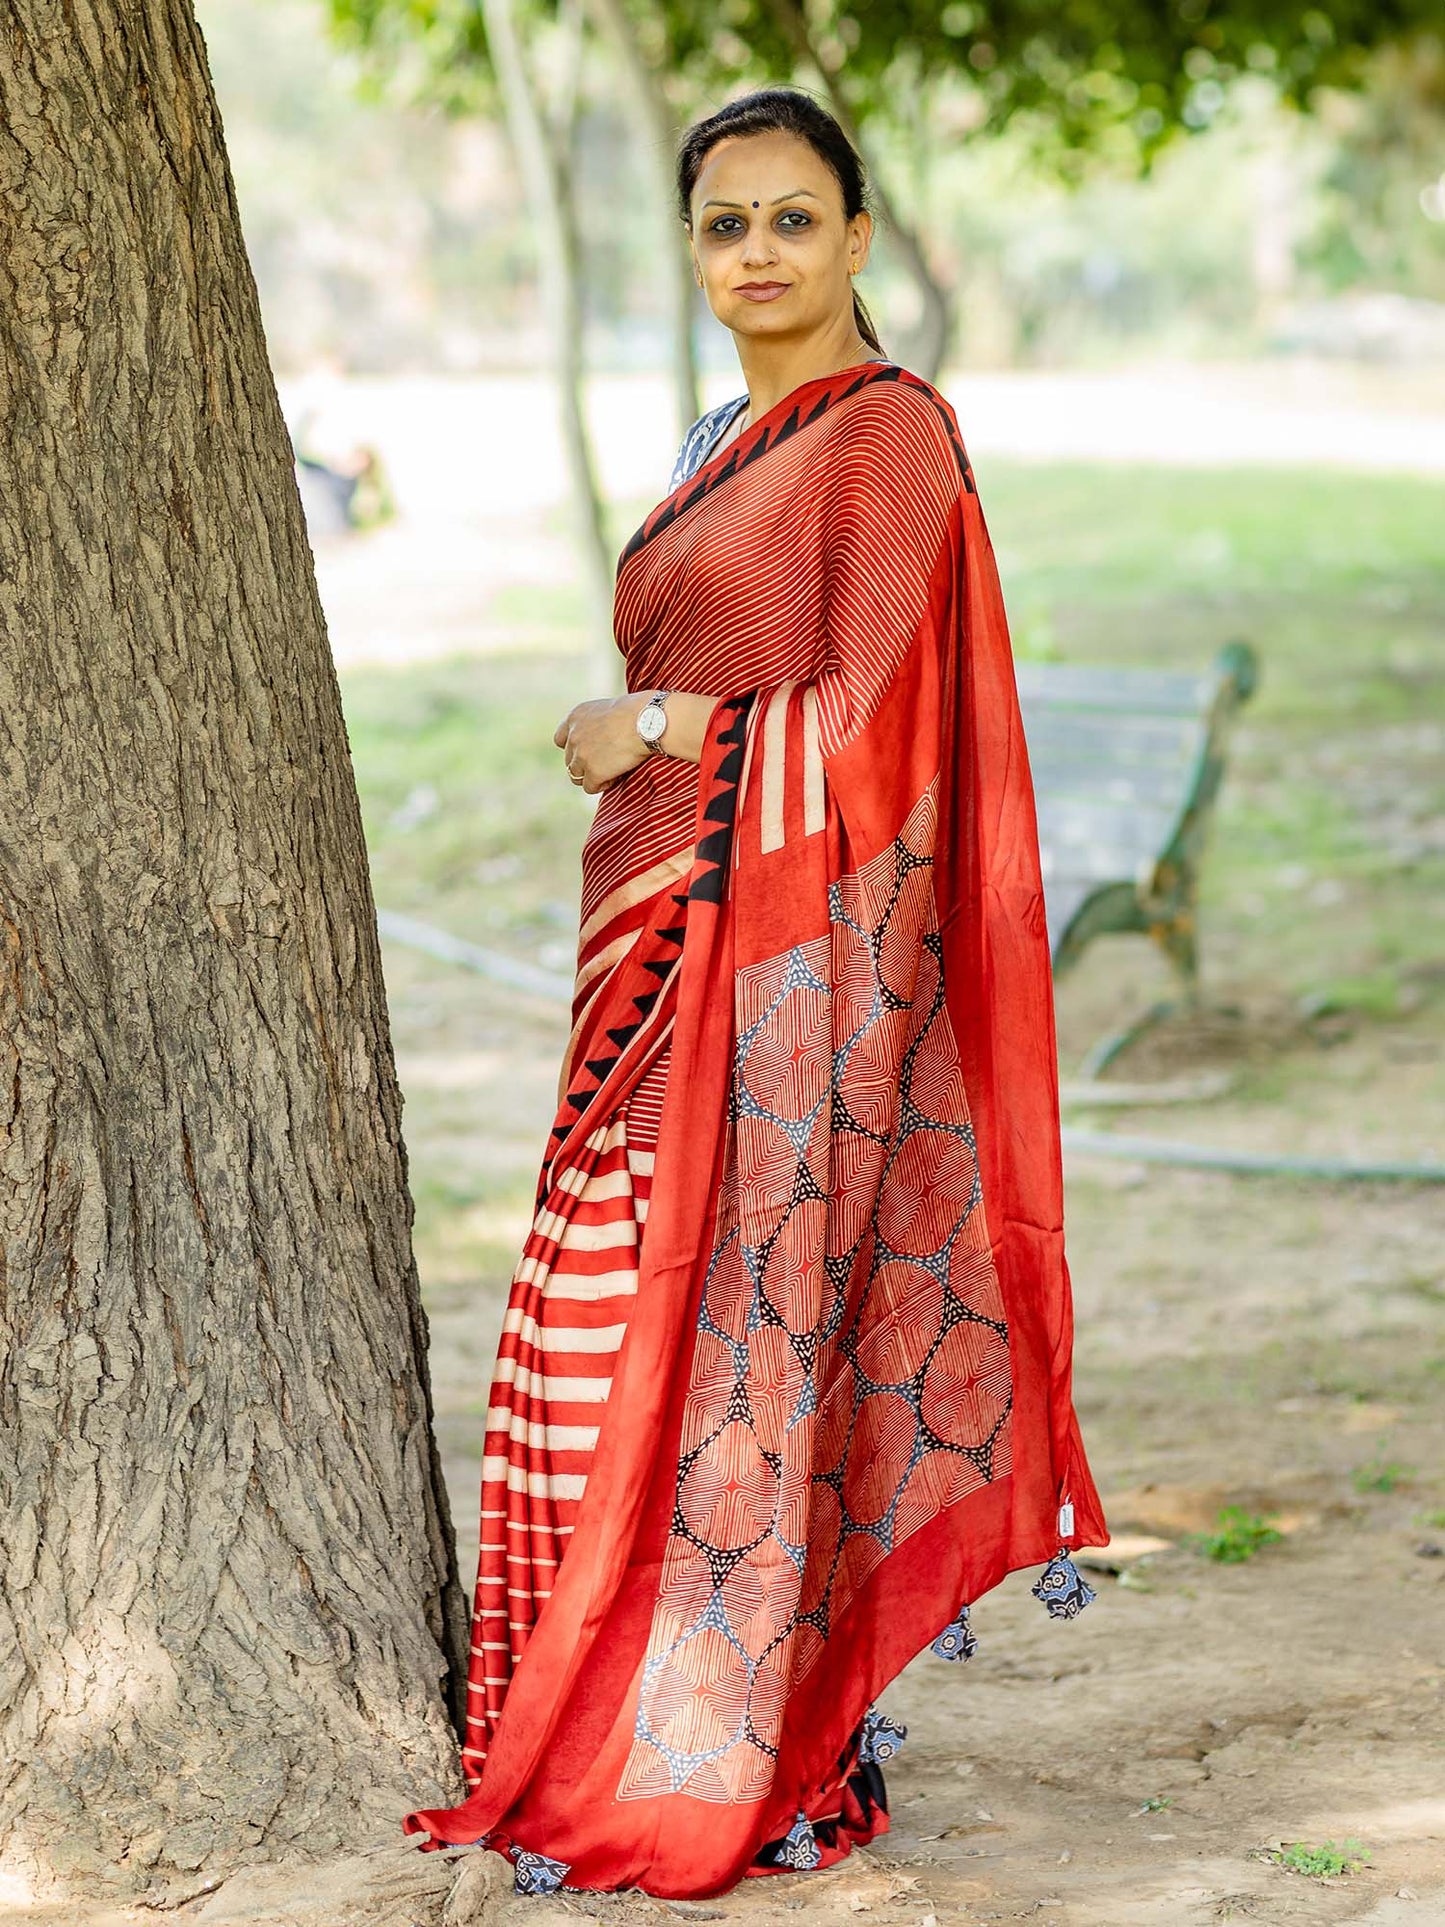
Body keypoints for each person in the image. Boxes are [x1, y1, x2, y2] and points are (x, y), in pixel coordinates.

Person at [403, 85, 1107, 1901]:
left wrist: (648, 725)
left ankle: (716, 1742)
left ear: (858, 237)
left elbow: (867, 725)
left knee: (710, 1330)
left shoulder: (887, 436)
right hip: (653, 928)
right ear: (692, 251)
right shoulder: (724, 433)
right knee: (607, 1322)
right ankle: (620, 1712)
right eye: (725, 223)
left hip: (778, 956)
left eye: (795, 217)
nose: (759, 252)